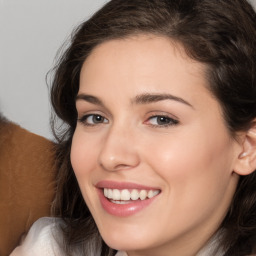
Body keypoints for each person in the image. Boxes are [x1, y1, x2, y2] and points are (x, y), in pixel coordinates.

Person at [11, 0, 256, 255]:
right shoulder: (48, 249)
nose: (110, 156)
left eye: (161, 119)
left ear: (247, 147)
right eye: (95, 118)